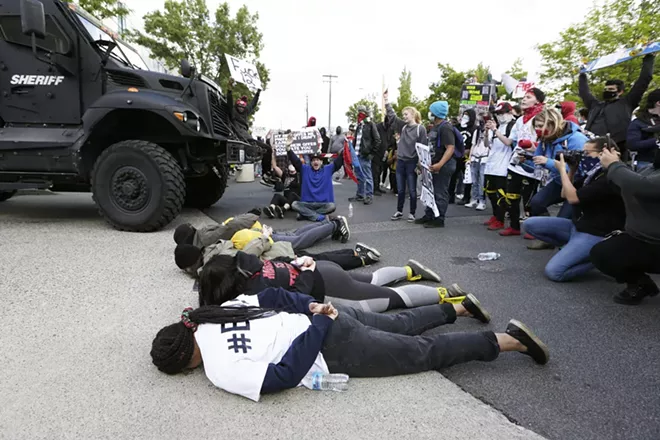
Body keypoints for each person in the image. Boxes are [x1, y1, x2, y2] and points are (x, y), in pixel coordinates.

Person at [150, 289, 550, 402]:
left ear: (186, 364)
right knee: (401, 323)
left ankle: (511, 341)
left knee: (421, 354)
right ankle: (458, 307)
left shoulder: (219, 370)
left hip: (330, 341)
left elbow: (285, 376)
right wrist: (313, 307)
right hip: (323, 312)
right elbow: (272, 294)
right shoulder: (216, 312)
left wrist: (318, 327)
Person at [198, 251, 479, 314]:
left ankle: (446, 294)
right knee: (373, 279)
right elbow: (281, 257)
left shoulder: (253, 291)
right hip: (322, 268)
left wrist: (306, 272)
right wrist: (303, 262)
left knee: (390, 300)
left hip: (327, 285)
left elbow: (299, 296)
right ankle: (408, 269)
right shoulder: (249, 264)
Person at [522, 137, 625, 282]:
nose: (584, 157)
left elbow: (573, 198)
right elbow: (565, 194)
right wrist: (572, 170)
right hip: (578, 226)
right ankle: (575, 250)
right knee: (529, 224)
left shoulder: (611, 176)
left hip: (595, 233)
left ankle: (597, 258)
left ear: (604, 152)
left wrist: (562, 170)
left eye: (587, 154)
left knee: (554, 272)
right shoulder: (594, 172)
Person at [589, 138, 660, 305]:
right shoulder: (652, 168)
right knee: (603, 254)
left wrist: (615, 165)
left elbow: (643, 186)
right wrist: (616, 165)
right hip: (643, 238)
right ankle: (640, 284)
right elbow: (629, 184)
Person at [175, 224, 382, 277]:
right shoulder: (214, 258)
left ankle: (357, 255)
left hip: (273, 258)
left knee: (319, 258)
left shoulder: (210, 257)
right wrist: (264, 238)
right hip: (273, 259)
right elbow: (245, 257)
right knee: (320, 261)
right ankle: (361, 258)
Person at [489, 89, 545, 237]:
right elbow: (509, 141)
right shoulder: (520, 120)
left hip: (533, 165)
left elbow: (545, 144)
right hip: (515, 164)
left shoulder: (542, 118)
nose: (524, 99)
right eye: (524, 97)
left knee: (530, 200)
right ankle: (514, 227)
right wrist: (495, 130)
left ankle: (537, 230)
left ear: (538, 101)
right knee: (511, 196)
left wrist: (532, 148)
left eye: (528, 97)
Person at [579, 53, 656, 157]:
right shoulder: (595, 105)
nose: (607, 91)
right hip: (592, 148)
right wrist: (582, 73)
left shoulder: (627, 102)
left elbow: (644, 79)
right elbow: (584, 91)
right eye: (606, 89)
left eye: (611, 89)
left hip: (617, 148)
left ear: (620, 92)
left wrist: (649, 58)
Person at [527, 107, 588, 221]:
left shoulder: (577, 139)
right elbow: (536, 160)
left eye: (541, 126)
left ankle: (559, 232)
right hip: (559, 181)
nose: (538, 129)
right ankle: (547, 230)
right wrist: (526, 160)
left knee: (563, 219)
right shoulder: (547, 138)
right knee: (536, 203)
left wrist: (549, 163)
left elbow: (579, 170)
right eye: (536, 126)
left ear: (553, 124)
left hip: (578, 184)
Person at [383, 91, 428, 222]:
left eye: (406, 114)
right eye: (403, 115)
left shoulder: (421, 129)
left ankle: (412, 213)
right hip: (401, 161)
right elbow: (392, 116)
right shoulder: (403, 127)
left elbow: (423, 148)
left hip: (412, 162)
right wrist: (386, 101)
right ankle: (399, 211)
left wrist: (420, 165)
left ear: (413, 115)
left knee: (412, 190)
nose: (404, 116)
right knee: (401, 189)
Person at [415, 101, 459, 228]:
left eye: (432, 111)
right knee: (431, 191)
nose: (430, 113)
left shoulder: (445, 127)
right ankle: (429, 215)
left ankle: (439, 218)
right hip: (434, 163)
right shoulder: (435, 126)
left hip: (443, 165)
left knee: (440, 191)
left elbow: (450, 148)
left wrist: (440, 164)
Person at [286, 135, 343, 222]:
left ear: (321, 162)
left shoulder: (328, 169)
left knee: (332, 206)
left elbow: (338, 162)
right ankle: (317, 216)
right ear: (311, 162)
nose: (316, 162)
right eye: (313, 160)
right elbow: (296, 161)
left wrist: (345, 150)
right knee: (294, 204)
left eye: (318, 160)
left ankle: (306, 214)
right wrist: (288, 149)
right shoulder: (305, 169)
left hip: (323, 204)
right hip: (308, 204)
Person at [484, 103, 516, 230]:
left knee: (501, 195)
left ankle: (500, 219)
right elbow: (487, 144)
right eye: (498, 114)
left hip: (503, 165)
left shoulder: (512, 126)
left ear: (510, 112)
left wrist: (495, 130)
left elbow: (508, 142)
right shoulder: (498, 126)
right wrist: (487, 131)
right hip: (491, 163)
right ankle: (495, 215)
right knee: (490, 192)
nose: (500, 116)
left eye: (502, 113)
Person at [348, 106, 381, 205]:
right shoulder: (359, 125)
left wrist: (371, 154)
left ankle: (369, 195)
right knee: (359, 176)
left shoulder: (370, 124)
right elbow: (356, 140)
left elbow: (377, 140)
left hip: (365, 155)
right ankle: (360, 194)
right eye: (359, 112)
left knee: (367, 176)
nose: (359, 113)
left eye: (361, 112)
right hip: (357, 154)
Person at [627, 89, 660, 171]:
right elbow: (632, 144)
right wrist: (656, 141)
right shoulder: (639, 122)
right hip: (648, 163)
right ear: (658, 103)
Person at [262, 150, 300, 219]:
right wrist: (273, 155)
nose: (292, 171)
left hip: (296, 201)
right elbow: (275, 167)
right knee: (277, 195)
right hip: (286, 199)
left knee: (292, 194)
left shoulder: (299, 176)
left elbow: (301, 164)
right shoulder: (285, 175)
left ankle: (283, 210)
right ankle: (271, 209)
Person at [464, 112, 490, 211]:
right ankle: (474, 199)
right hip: (475, 157)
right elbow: (473, 145)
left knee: (482, 181)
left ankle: (481, 201)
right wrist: (470, 158)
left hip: (484, 158)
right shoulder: (477, 131)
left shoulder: (490, 131)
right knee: (474, 180)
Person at [452, 109, 477, 205]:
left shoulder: (474, 128)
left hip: (467, 155)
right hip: (456, 154)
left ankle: (466, 197)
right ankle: (451, 196)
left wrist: (469, 151)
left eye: (467, 115)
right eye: (464, 115)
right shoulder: (457, 127)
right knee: (453, 177)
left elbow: (475, 142)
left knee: (467, 177)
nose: (465, 117)